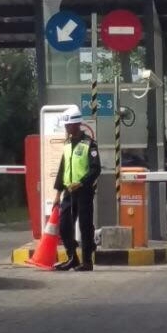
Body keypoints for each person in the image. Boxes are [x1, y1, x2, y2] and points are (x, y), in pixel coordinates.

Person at [52, 108, 101, 271]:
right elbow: (62, 169)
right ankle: (72, 257)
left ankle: (87, 261)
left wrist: (81, 183)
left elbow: (96, 169)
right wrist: (57, 195)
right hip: (68, 191)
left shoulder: (90, 144)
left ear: (77, 124)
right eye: (65, 125)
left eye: (69, 125)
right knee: (64, 225)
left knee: (85, 226)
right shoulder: (67, 144)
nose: (67, 128)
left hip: (84, 192)